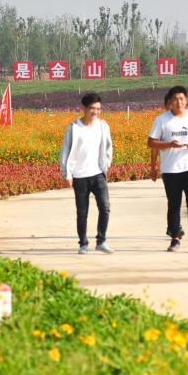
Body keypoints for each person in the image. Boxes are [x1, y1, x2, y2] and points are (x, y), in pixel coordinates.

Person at [148, 85, 188, 253]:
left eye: (181, 99)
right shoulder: (161, 119)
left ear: (186, 101)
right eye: (175, 99)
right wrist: (169, 144)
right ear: (170, 102)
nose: (179, 102)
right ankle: (175, 239)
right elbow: (151, 142)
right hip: (170, 169)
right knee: (174, 204)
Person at [60, 92, 114, 254]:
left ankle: (101, 241)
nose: (95, 112)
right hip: (80, 176)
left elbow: (108, 147)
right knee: (82, 212)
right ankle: (83, 243)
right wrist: (67, 173)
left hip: (98, 174)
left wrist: (107, 163)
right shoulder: (74, 128)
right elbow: (65, 151)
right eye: (92, 108)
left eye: (98, 109)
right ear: (83, 108)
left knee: (105, 208)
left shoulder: (103, 126)